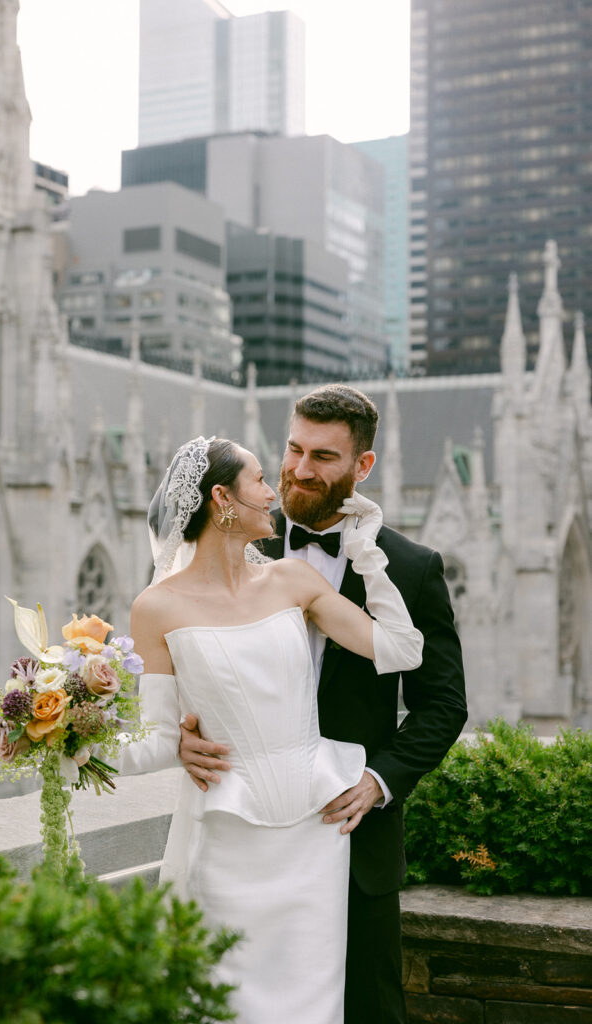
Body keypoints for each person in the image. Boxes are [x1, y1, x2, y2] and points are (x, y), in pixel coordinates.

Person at [179, 384, 468, 1024]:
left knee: (368, 1010)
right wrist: (179, 735)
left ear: (362, 466)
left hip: (353, 836)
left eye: (323, 457)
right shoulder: (236, 539)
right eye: (292, 449)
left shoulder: (411, 568)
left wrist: (379, 781)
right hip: (244, 837)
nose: (299, 470)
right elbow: (186, 656)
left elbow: (444, 704)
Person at [117, 433, 424, 1024]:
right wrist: (66, 747)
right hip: (229, 836)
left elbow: (402, 650)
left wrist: (367, 550)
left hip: (315, 837)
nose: (273, 490)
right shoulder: (154, 607)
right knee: (224, 1003)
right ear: (221, 499)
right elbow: (156, 740)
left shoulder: (294, 582)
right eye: (259, 479)